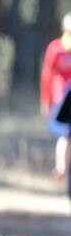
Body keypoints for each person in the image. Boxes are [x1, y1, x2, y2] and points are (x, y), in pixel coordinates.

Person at [38, 12, 71, 179]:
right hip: (62, 99)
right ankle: (61, 167)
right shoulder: (56, 49)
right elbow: (47, 76)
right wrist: (46, 101)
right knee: (65, 134)